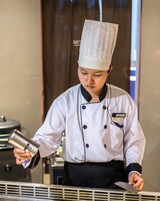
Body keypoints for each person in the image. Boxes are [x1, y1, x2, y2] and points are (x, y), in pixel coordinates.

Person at [14, 20, 146, 191]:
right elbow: (47, 138)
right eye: (83, 72)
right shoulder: (65, 101)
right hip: (75, 181)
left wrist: (133, 170)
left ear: (109, 70)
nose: (88, 80)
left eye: (97, 75)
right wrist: (28, 151)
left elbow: (133, 140)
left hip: (114, 181)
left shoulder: (122, 99)